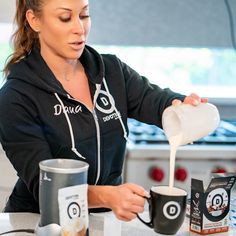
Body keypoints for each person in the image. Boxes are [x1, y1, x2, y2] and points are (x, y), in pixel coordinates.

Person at [0, 0, 207, 222]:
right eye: (65, 18)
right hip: (36, 222)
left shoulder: (111, 71)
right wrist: (108, 196)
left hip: (101, 221)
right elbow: (45, 186)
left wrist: (182, 105)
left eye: (84, 15)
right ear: (34, 20)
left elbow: (155, 100)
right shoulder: (16, 97)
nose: (80, 28)